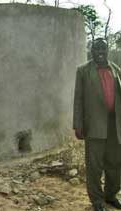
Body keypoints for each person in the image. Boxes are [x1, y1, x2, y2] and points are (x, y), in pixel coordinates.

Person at [73, 38, 121, 211]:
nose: (100, 52)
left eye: (103, 48)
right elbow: (78, 99)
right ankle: (97, 201)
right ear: (91, 51)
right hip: (94, 126)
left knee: (115, 164)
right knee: (94, 166)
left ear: (107, 50)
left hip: (115, 126)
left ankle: (111, 196)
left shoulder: (116, 70)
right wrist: (77, 124)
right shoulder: (83, 71)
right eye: (96, 49)